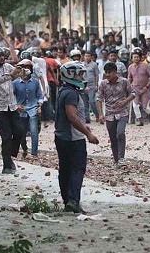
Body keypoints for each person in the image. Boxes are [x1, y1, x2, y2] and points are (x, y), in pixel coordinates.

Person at [54, 61, 100, 214]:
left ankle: (68, 201)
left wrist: (84, 127)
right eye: (79, 74)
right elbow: (72, 117)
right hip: (73, 139)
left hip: (61, 136)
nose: (81, 77)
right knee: (77, 169)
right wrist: (88, 134)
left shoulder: (62, 91)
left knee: (65, 170)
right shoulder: (72, 94)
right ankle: (73, 201)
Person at [0, 47, 24, 174]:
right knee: (6, 135)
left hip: (11, 105)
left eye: (3, 56)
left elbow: (22, 73)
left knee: (20, 130)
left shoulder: (7, 66)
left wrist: (22, 69)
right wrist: (11, 75)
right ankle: (7, 164)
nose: (2, 58)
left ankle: (11, 152)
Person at [97, 62, 135, 167]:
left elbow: (133, 93)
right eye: (106, 72)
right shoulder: (103, 84)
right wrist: (100, 114)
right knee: (113, 138)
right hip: (109, 114)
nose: (107, 75)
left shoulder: (124, 82)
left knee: (120, 133)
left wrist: (124, 101)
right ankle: (116, 160)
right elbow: (99, 99)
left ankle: (121, 158)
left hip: (122, 112)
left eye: (109, 72)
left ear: (115, 72)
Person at [13, 59, 44, 157]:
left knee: (34, 131)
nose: (26, 70)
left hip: (33, 109)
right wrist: (16, 105)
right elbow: (11, 97)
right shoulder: (15, 83)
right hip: (21, 111)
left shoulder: (35, 82)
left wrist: (39, 105)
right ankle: (24, 148)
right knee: (21, 132)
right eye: (24, 68)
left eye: (28, 67)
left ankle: (34, 153)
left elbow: (40, 95)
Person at [127, 50, 150, 126]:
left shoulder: (146, 66)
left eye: (137, 57)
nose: (136, 58)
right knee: (135, 105)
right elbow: (129, 78)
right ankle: (139, 119)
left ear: (140, 58)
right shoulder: (130, 67)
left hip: (145, 89)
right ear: (132, 58)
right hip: (135, 88)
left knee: (145, 107)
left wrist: (147, 86)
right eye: (134, 57)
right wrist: (129, 87)